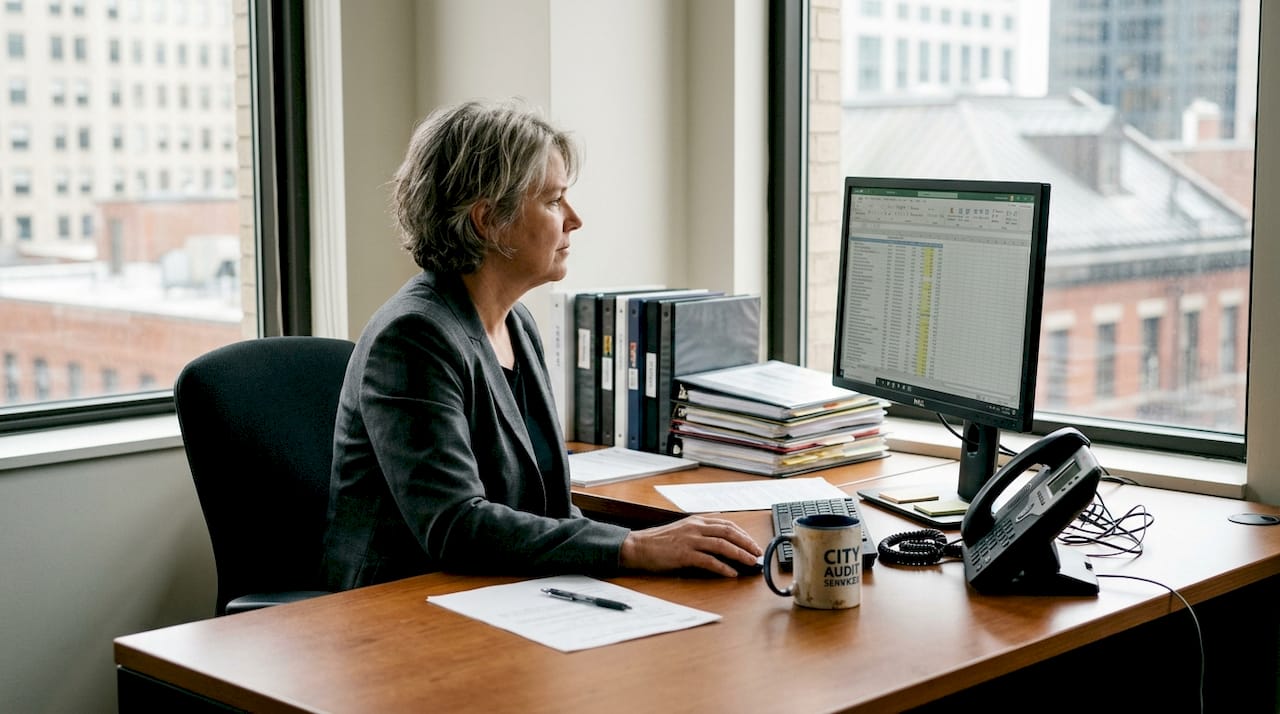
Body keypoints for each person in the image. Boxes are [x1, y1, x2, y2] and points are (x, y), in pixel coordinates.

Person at [322, 99, 762, 590]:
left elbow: (552, 507)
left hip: (503, 592)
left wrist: (653, 544)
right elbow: (455, 525)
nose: (574, 219)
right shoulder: (412, 338)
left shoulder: (518, 324)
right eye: (553, 201)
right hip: (402, 608)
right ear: (487, 220)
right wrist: (633, 547)